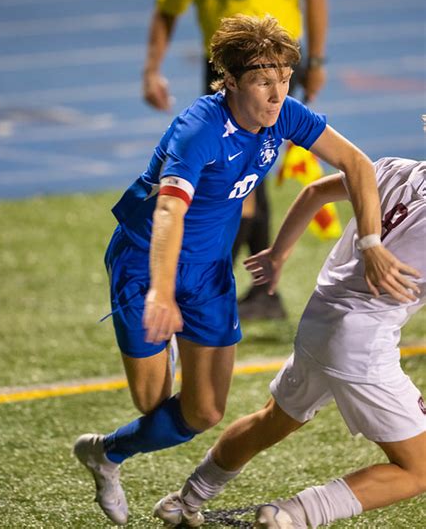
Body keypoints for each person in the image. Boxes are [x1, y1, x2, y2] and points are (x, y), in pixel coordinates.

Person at [73, 13, 418, 526]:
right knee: (152, 401)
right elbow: (170, 212)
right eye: (262, 80)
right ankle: (134, 407)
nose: (277, 93)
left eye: (283, 79)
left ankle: (105, 453)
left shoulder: (285, 113)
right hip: (147, 265)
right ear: (229, 80)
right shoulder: (198, 131)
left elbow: (356, 163)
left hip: (209, 269)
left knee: (204, 413)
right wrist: (161, 295)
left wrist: (368, 241)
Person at [153, 156, 425, 528]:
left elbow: (314, 192)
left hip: (321, 318)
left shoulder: (396, 168)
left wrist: (278, 254)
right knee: (419, 469)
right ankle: (293, 513)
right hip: (363, 344)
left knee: (273, 419)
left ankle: (184, 501)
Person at [142, 0, 329, 320]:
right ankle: (251, 289)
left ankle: (247, 286)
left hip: (272, 67)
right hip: (224, 70)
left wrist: (318, 63)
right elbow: (168, 8)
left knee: (249, 175)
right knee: (236, 172)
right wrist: (152, 68)